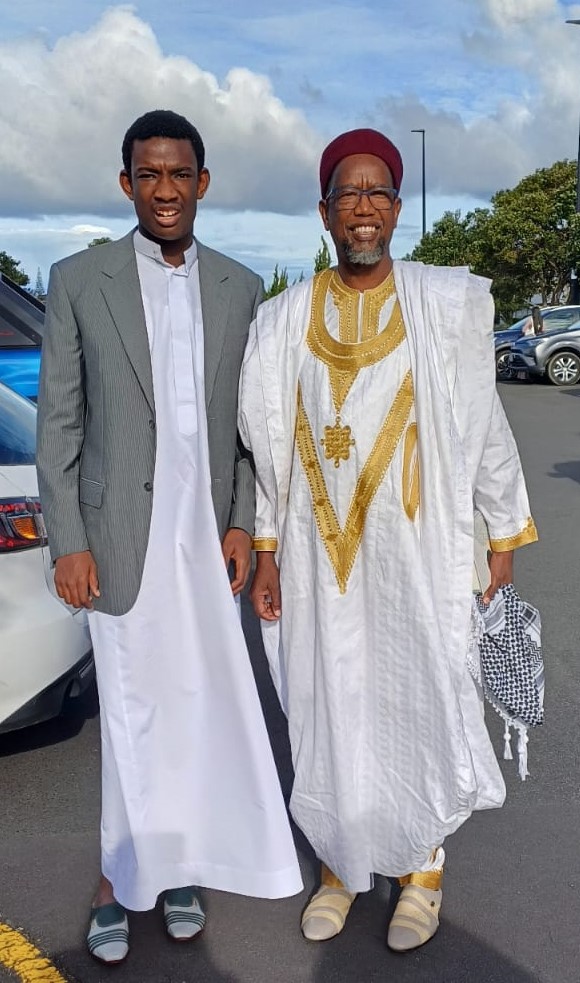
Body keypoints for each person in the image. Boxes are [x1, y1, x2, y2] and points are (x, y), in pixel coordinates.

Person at [239, 128, 537, 953]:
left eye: (378, 194)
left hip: (421, 545)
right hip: (313, 552)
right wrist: (266, 551)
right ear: (325, 211)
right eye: (348, 194)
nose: (363, 208)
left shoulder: (444, 305)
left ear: (396, 209)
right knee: (325, 700)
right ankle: (341, 864)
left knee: (420, 695)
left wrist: (501, 532)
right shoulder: (282, 320)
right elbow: (268, 452)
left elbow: (484, 423)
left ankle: (422, 867)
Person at [36, 109, 302, 965]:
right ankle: (119, 881)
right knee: (129, 710)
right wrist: (67, 538)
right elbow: (60, 426)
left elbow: (246, 430)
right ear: (126, 183)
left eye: (178, 174)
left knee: (196, 707)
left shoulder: (237, 284)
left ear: (203, 182)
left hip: (205, 543)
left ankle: (177, 867)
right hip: (116, 538)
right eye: (147, 175)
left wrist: (239, 521)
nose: (163, 190)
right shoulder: (80, 278)